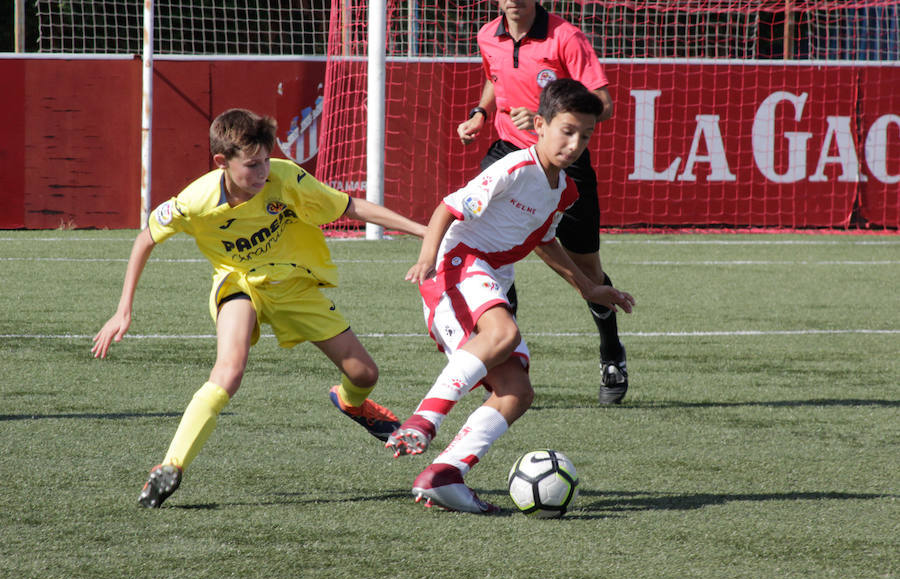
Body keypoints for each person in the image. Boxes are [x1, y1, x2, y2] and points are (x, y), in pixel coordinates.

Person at [92, 108, 427, 508]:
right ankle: (170, 467)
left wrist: (427, 232)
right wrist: (123, 308)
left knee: (364, 372)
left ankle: (352, 402)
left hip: (292, 282)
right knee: (229, 369)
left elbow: (350, 206)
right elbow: (145, 239)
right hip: (239, 282)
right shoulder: (195, 201)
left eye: (267, 160)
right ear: (222, 163)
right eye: (252, 165)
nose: (264, 172)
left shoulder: (286, 178)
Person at [387, 79, 635, 513]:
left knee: (517, 392)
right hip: (457, 264)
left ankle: (444, 473)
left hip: (487, 275)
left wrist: (589, 287)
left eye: (586, 135)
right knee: (502, 331)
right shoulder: (514, 168)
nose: (575, 144)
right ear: (540, 125)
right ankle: (425, 419)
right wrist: (428, 257)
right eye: (567, 130)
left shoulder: (565, 190)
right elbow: (448, 207)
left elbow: (544, 241)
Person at [457, 0, 629, 404]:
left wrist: (540, 116)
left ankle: (611, 353)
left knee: (587, 268)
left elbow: (601, 104)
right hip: (506, 156)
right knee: (488, 254)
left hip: (562, 165)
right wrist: (481, 113)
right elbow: (494, 79)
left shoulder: (565, 36)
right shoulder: (487, 35)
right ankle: (505, 364)